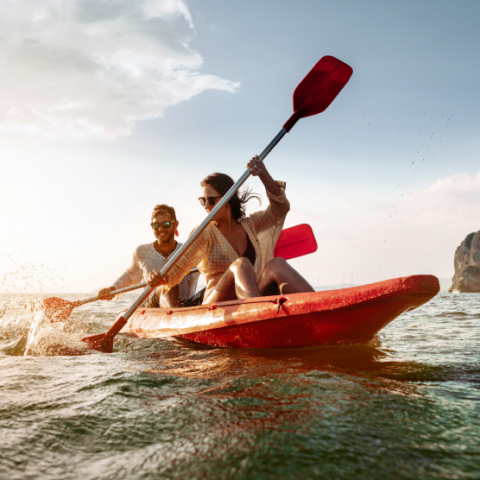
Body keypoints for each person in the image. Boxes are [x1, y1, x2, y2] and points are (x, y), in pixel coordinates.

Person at [147, 156, 314, 304]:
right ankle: (255, 315)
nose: (206, 206)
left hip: (252, 295)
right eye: (203, 200)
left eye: (211, 200)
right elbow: (178, 268)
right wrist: (158, 277)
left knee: (277, 264)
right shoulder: (204, 232)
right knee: (240, 264)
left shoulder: (251, 225)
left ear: (228, 198)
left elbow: (280, 208)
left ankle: (318, 306)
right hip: (217, 302)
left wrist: (263, 173)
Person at [98, 204, 199, 308]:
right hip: (153, 305)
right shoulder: (142, 251)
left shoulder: (190, 250)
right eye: (156, 225)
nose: (160, 229)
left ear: (176, 224)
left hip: (187, 304)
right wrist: (112, 290)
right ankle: (176, 317)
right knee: (168, 285)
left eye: (166, 224)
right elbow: (130, 276)